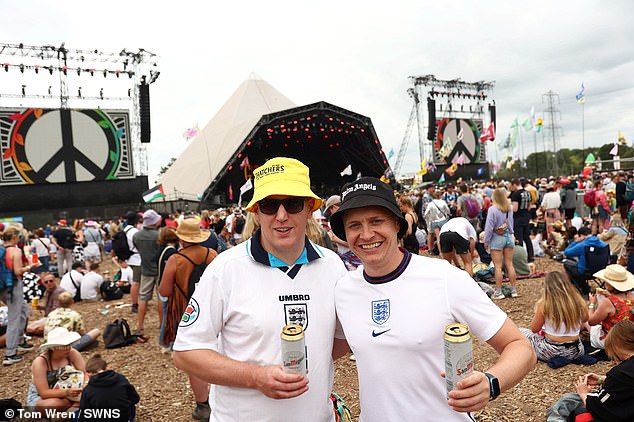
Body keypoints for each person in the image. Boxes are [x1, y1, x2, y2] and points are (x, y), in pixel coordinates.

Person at [329, 177, 536, 421]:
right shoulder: (344, 290)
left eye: (376, 221)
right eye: (354, 225)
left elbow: (521, 347)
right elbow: (327, 351)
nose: (366, 234)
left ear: (397, 224)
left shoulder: (444, 278)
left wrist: (491, 383)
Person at [173, 157, 348, 422]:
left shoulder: (332, 266)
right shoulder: (226, 269)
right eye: (269, 205)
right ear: (256, 211)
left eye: (292, 204)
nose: (281, 216)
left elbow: (339, 340)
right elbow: (186, 353)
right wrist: (256, 377)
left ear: (309, 208)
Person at [159, 217, 217, 420]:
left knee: (195, 360)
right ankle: (222, 399)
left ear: (181, 239)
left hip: (188, 315)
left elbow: (164, 291)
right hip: (214, 313)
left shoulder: (176, 259)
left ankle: (203, 406)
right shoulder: (213, 254)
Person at [547, 319, 634, 421]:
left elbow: (601, 409)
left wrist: (584, 393)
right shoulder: (625, 372)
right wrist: (602, 379)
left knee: (568, 403)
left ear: (617, 345)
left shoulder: (619, 373)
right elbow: (628, 384)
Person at [519, 271, 586, 362]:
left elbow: (534, 329)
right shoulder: (577, 300)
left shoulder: (544, 303)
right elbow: (585, 319)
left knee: (521, 332)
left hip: (552, 351)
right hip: (577, 350)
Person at [26, 326, 86, 411]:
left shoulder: (72, 353)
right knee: (54, 404)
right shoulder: (41, 362)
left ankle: (69, 410)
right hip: (44, 398)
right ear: (53, 347)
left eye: (69, 344)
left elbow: (86, 373)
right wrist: (67, 393)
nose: (68, 348)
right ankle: (73, 407)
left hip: (70, 392)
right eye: (63, 346)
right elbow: (44, 393)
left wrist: (85, 384)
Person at [2, 226, 38, 365]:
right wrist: (30, 267)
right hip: (13, 285)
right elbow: (18, 271)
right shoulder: (15, 251)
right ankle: (10, 353)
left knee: (23, 309)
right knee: (14, 317)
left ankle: (20, 340)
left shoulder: (1, 249)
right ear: (14, 237)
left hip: (2, 285)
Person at [79, 353, 140, 422]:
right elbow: (135, 398)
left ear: (88, 374)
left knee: (75, 416)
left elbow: (84, 416)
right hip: (124, 418)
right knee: (131, 405)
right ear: (106, 368)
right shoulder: (120, 378)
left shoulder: (88, 390)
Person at [587, 264, 634, 349]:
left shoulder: (607, 303)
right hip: (629, 338)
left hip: (612, 341)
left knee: (585, 322)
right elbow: (622, 305)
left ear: (610, 284)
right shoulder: (632, 295)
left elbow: (591, 321)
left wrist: (592, 304)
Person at [483, 187, 518, 300]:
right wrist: (512, 233)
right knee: (510, 264)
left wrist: (486, 241)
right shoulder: (509, 208)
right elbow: (511, 223)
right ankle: (513, 290)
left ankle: (499, 291)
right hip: (508, 237)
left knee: (498, 267)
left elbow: (489, 227)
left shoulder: (492, 210)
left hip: (496, 238)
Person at [132, 209, 162, 336]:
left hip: (146, 269)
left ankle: (140, 326)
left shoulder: (136, 236)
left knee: (143, 298)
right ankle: (162, 324)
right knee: (161, 297)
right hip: (159, 269)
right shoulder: (159, 235)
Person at [563, 226, 608, 295]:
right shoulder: (603, 244)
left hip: (585, 272)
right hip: (601, 270)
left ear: (581, 236)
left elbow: (566, 252)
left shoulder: (582, 245)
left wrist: (576, 241)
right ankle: (582, 286)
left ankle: (571, 288)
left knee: (565, 263)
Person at [510, 178, 534, 262]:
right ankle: (531, 256)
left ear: (514, 185)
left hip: (518, 219)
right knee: (527, 238)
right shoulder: (528, 193)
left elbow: (515, 209)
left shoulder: (515, 195)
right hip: (526, 218)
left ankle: (521, 258)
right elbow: (529, 207)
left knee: (519, 239)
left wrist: (509, 207)